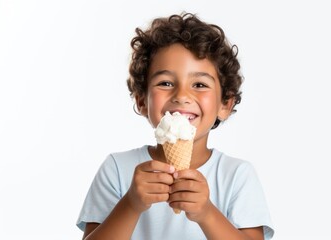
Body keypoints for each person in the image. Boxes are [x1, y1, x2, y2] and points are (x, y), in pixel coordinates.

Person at [76, 12, 274, 240]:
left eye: (199, 84)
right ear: (142, 100)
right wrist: (131, 204)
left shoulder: (237, 175)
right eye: (166, 83)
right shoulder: (117, 169)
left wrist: (206, 213)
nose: (182, 95)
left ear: (225, 104)